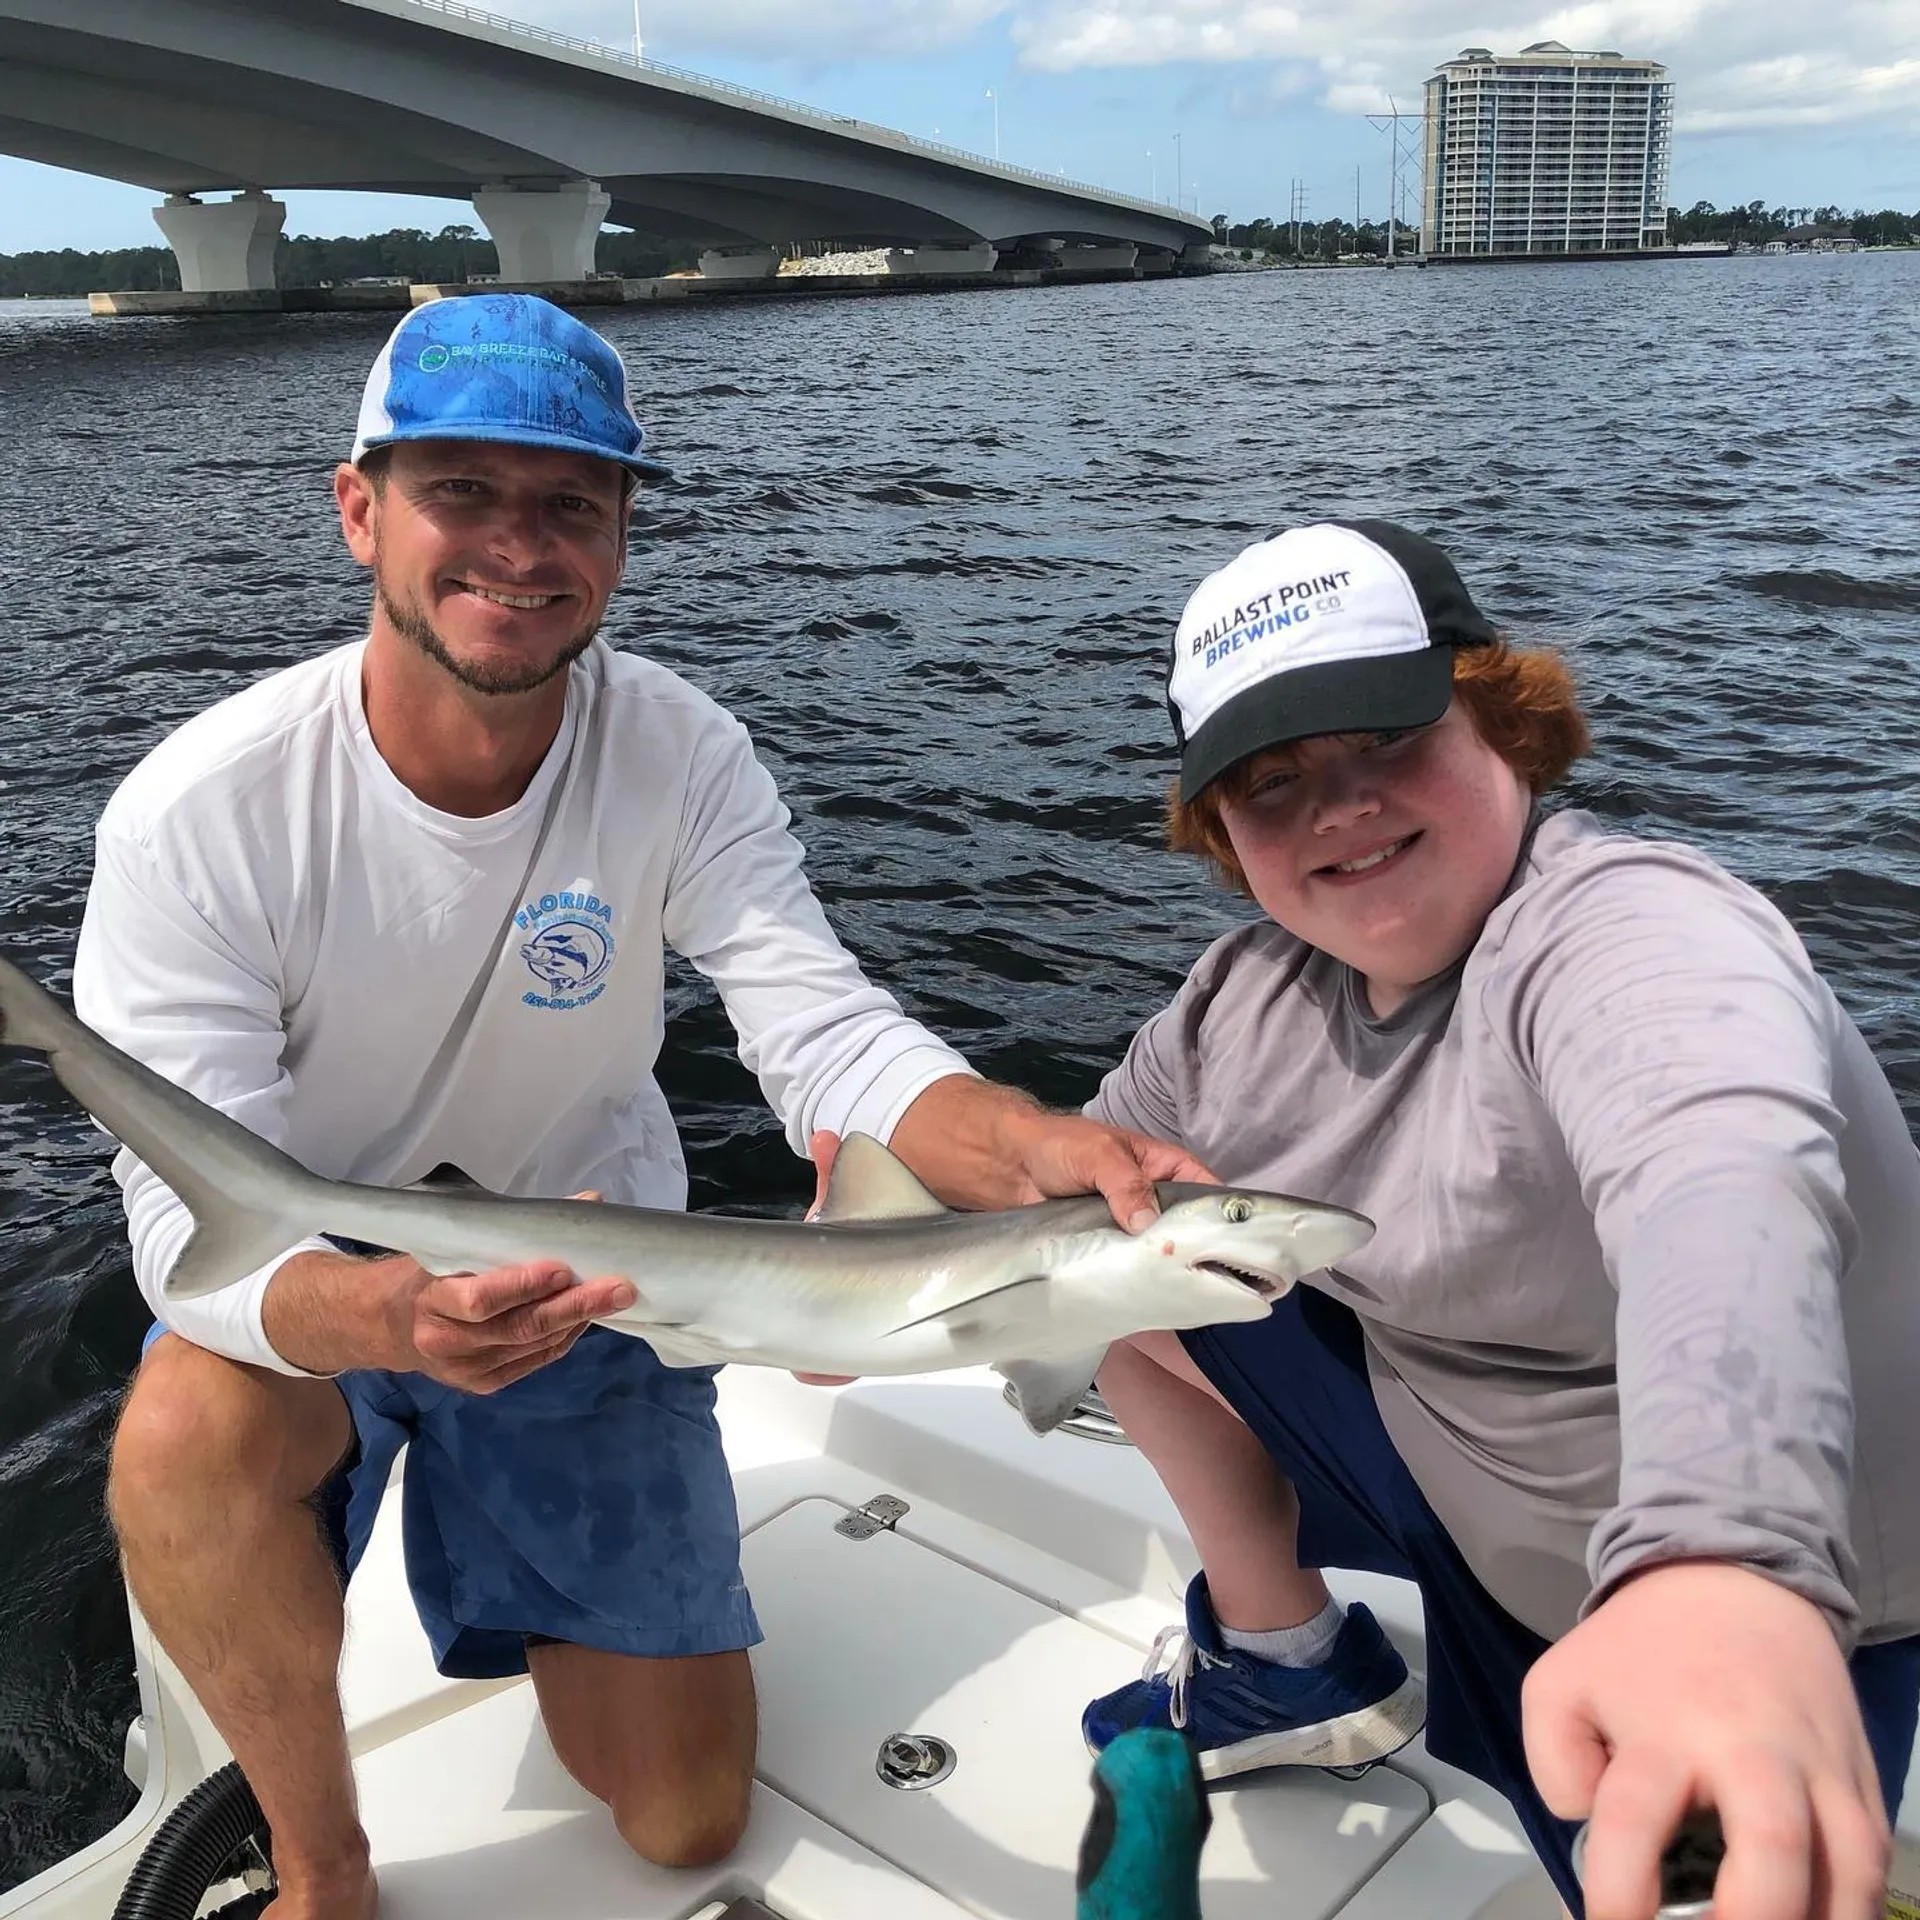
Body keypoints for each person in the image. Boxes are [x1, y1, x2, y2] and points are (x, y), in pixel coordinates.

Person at [80, 294, 1205, 1920]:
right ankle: (324, 1870)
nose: (518, 550)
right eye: (462, 491)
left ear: (620, 537)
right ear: (357, 512)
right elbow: (195, 1233)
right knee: (178, 1434)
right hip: (332, 1293)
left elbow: (821, 1029)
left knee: (682, 1819)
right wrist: (396, 1313)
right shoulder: (206, 814)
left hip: (607, 1291)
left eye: (571, 505)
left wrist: (1025, 1145)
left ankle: (518, 1553)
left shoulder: (680, 752)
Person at [1077, 519, 1920, 1920]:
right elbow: (1083, 1178)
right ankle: (1284, 1666)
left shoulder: (1629, 931)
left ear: (1505, 723)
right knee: (1123, 1283)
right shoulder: (1240, 1004)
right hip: (1452, 1469)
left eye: (1387, 736)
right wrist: (854, 1279)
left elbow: (1719, 1176)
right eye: (1272, 780)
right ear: (1217, 829)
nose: (1340, 805)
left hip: (1722, 1586)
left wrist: (1723, 1556)